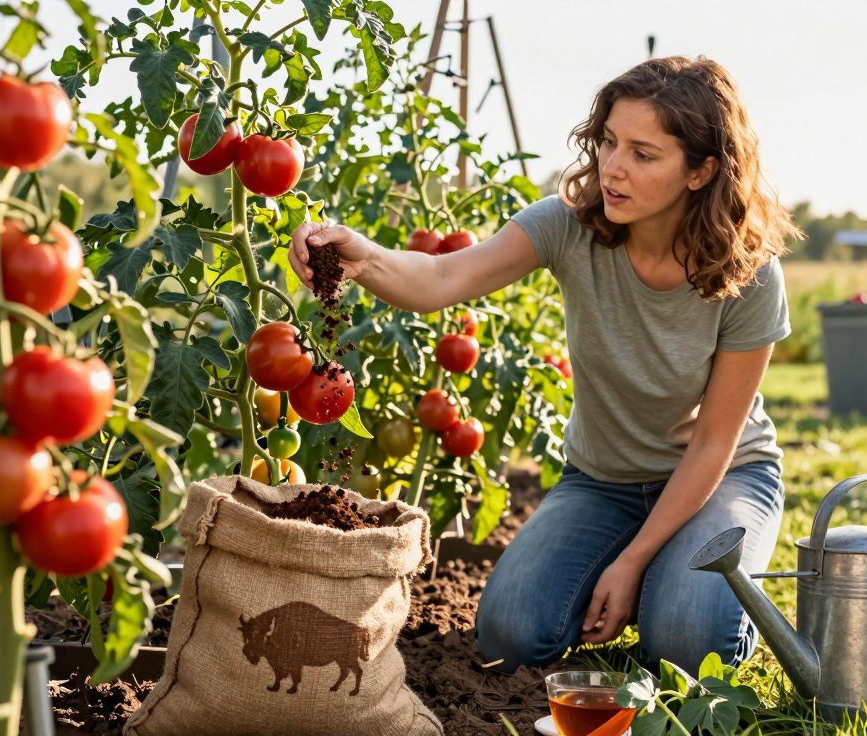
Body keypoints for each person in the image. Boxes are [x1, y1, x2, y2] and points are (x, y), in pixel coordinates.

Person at [288, 56, 799, 675]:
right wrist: (362, 258)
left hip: (720, 480)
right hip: (604, 481)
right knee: (509, 633)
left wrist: (633, 560)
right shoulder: (568, 225)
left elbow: (715, 443)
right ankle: (668, 584)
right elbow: (444, 276)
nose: (612, 167)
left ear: (702, 171)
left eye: (643, 153)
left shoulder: (749, 273)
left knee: (688, 644)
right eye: (609, 141)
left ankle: (685, 593)